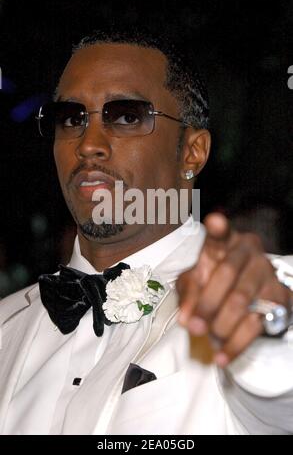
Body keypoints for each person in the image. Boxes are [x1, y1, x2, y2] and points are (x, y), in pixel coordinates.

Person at [0, 30, 293, 435]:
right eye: (72, 118)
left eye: (125, 116)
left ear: (192, 151)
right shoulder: (6, 323)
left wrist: (267, 343)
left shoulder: (262, 294)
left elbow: (280, 404)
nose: (88, 145)